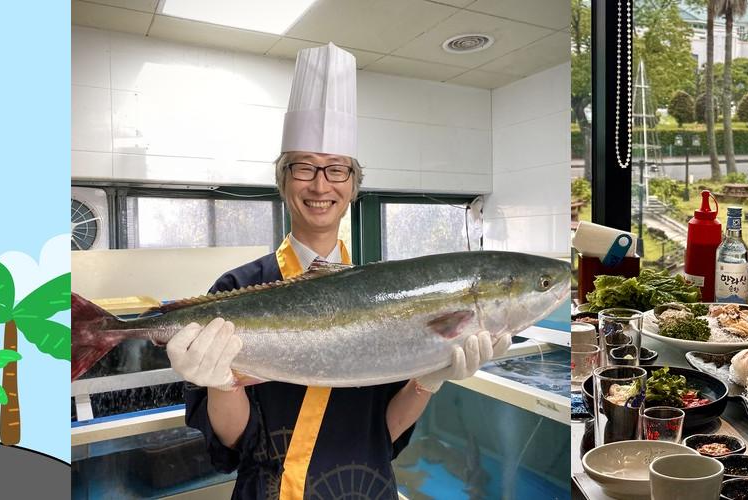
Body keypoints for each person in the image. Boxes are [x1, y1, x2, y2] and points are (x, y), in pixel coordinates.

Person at [168, 44, 503, 500]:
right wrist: (222, 382)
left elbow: (385, 434)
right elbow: (232, 443)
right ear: (283, 180)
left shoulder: (386, 297)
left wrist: (430, 377)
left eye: (337, 170)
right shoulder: (237, 288)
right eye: (304, 167)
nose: (320, 184)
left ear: (354, 186)